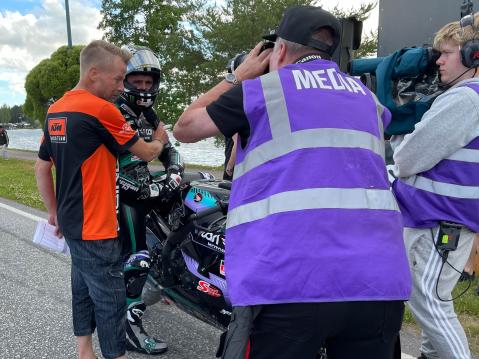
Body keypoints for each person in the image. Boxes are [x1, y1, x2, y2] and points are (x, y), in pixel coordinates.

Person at [173, 5, 411, 359]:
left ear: (279, 49)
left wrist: (239, 75)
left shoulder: (263, 91)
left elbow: (185, 127)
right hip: (377, 281)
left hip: (291, 280)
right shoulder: (370, 101)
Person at [35, 40, 168, 359]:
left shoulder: (57, 109)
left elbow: (42, 167)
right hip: (97, 225)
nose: (122, 87)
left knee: (81, 287)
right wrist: (161, 139)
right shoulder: (101, 110)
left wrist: (53, 212)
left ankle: (84, 351)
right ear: (94, 73)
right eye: (118, 79)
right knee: (110, 301)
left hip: (71, 221)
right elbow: (147, 152)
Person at [392, 16, 479, 359]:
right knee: (436, 299)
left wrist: (398, 159)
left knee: (428, 299)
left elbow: (410, 156)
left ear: (473, 55)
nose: (438, 61)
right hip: (446, 221)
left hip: (439, 221)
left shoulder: (465, 99)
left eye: (446, 53)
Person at [116, 44, 183, 355]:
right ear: (124, 81)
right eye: (137, 82)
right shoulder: (114, 110)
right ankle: (129, 326)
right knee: (137, 257)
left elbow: (170, 148)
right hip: (117, 193)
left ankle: (169, 284)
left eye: (148, 82)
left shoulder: (148, 113)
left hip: (142, 187)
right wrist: (157, 185)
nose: (143, 88)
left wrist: (173, 173)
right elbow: (128, 165)